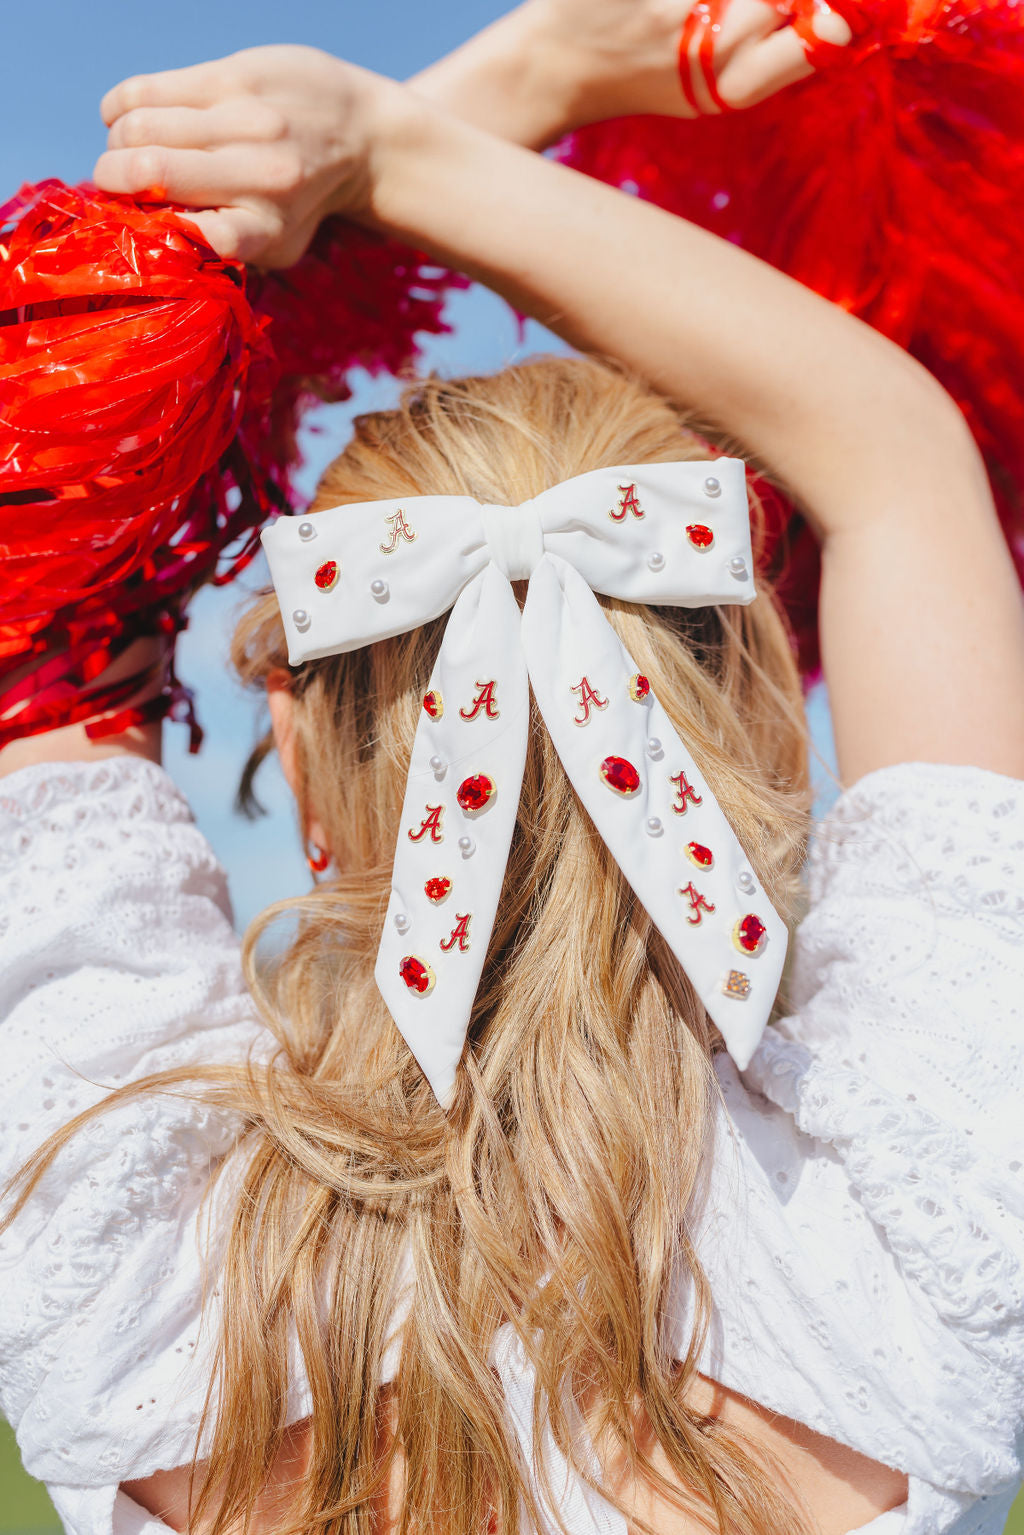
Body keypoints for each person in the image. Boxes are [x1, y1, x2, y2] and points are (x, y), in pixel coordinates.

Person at [1, 6, 1023, 1534]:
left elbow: (50, 468)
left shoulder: (126, 1269)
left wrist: (459, 103)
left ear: (292, 735)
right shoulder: (925, 1235)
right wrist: (404, 139)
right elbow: (898, 459)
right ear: (758, 706)